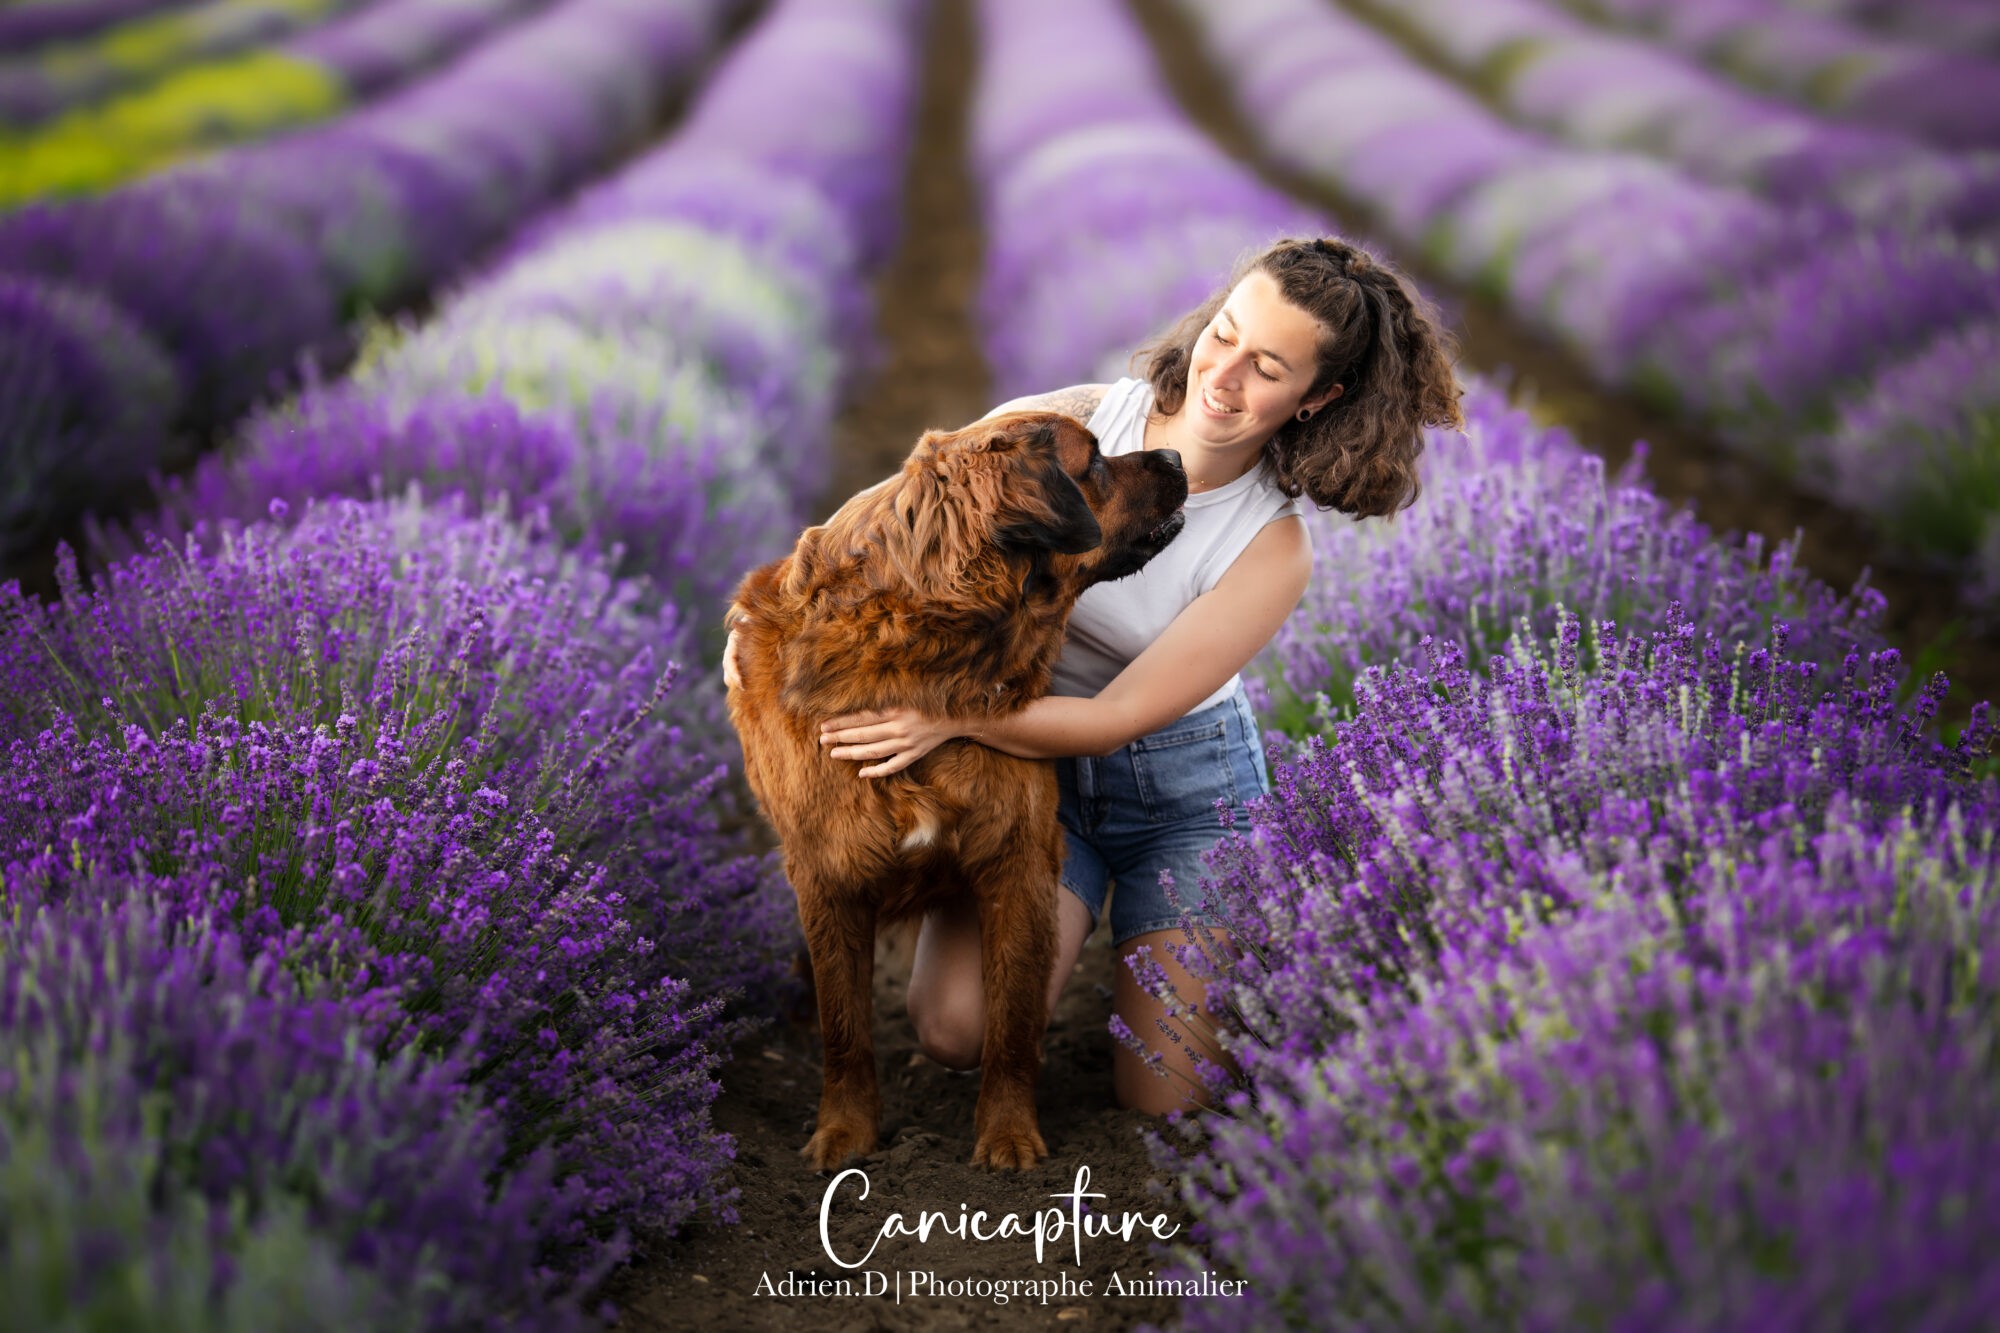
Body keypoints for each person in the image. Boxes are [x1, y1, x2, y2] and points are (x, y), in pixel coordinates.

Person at [735, 235, 1464, 1116]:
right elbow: (875, 529)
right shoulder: (1069, 420)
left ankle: (1244, 953)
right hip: (1038, 772)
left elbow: (1116, 716)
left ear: (1319, 397)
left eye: (1266, 366)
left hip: (1181, 790)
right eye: (1224, 334)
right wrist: (754, 623)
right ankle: (1051, 924)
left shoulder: (1271, 547)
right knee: (954, 1030)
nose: (1222, 376)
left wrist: (947, 715)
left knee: (1167, 1099)